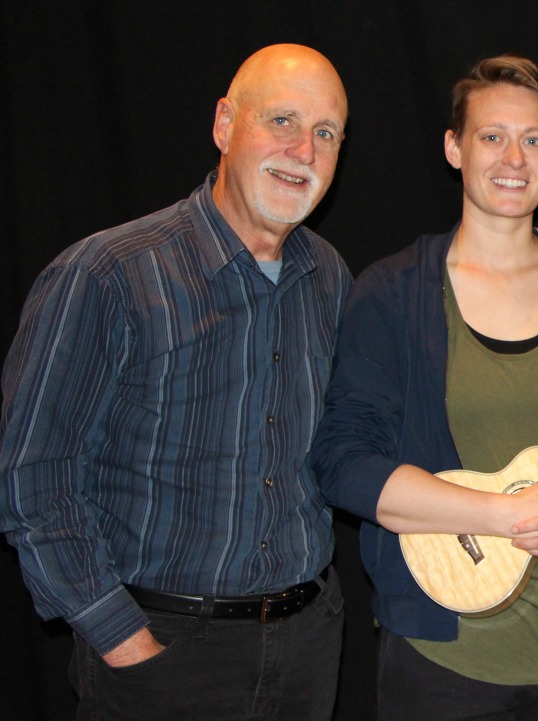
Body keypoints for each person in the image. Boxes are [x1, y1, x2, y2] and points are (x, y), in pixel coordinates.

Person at [0, 44, 351, 720]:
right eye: (281, 120)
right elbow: (32, 478)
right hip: (164, 652)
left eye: (326, 133)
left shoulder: (328, 276)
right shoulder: (107, 274)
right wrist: (122, 640)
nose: (303, 150)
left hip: (307, 646)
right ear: (224, 124)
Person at [310, 55, 538, 721]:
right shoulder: (391, 293)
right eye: (492, 136)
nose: (513, 158)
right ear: (454, 147)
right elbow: (345, 465)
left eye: (533, 140)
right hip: (445, 655)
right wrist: (502, 516)